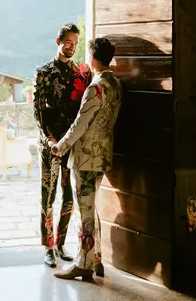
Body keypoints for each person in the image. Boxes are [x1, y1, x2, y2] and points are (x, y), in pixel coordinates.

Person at [48, 37, 122, 281]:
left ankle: (84, 263)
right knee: (91, 207)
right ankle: (97, 258)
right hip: (103, 154)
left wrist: (61, 146)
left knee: (85, 210)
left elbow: (80, 124)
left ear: (92, 58)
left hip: (86, 157)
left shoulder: (96, 87)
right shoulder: (115, 84)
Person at [33, 23, 92, 268]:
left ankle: (62, 243)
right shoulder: (44, 72)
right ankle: (48, 247)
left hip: (72, 143)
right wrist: (49, 139)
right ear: (58, 42)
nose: (72, 47)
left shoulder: (83, 71)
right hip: (50, 142)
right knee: (48, 196)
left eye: (76, 43)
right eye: (68, 42)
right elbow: (37, 111)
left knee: (69, 196)